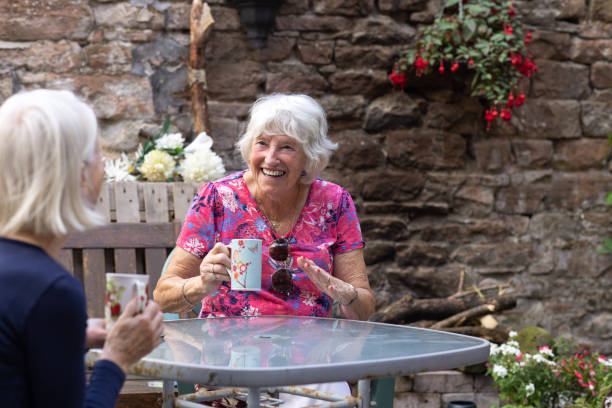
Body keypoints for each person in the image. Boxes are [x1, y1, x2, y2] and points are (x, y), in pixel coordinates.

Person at [154, 93, 375, 405]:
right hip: (229, 361)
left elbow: (364, 305)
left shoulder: (335, 202)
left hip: (311, 361)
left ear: (308, 158)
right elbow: (165, 293)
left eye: (286, 147)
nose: (271, 157)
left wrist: (342, 292)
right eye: (262, 144)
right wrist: (201, 284)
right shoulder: (217, 199)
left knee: (326, 400)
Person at [0, 89, 164, 408]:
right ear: (79, 177)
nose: (104, 167)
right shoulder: (51, 291)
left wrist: (70, 337)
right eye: (100, 156)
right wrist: (118, 358)